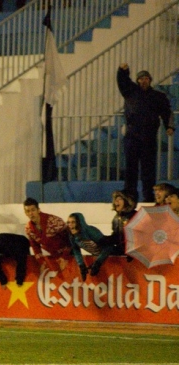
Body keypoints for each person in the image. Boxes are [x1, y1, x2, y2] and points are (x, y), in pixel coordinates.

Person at [117, 64, 174, 203]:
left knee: (148, 170)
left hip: (149, 137)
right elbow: (122, 81)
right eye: (141, 78)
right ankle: (130, 197)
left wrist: (170, 126)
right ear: (137, 81)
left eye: (146, 78)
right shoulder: (130, 92)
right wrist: (123, 71)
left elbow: (167, 112)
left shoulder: (158, 96)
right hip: (132, 136)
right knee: (131, 168)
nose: (143, 81)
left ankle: (148, 197)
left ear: (150, 80)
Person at [23, 197, 71, 272]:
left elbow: (70, 238)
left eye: (33, 210)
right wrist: (42, 262)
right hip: (55, 256)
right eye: (28, 211)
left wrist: (65, 257)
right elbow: (35, 247)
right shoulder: (28, 229)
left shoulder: (54, 221)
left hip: (70, 253)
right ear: (25, 213)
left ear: (38, 210)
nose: (31, 213)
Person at [66, 213, 114, 279]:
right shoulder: (72, 236)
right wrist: (81, 265)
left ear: (80, 223)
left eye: (73, 222)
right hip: (100, 257)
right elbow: (76, 250)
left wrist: (97, 263)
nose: (70, 225)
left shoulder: (90, 231)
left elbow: (108, 247)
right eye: (68, 222)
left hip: (113, 254)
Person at [106, 190, 137, 256]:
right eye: (115, 199)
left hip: (133, 251)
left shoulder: (135, 216)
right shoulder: (116, 218)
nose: (116, 201)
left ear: (126, 201)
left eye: (120, 199)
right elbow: (116, 236)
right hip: (120, 250)